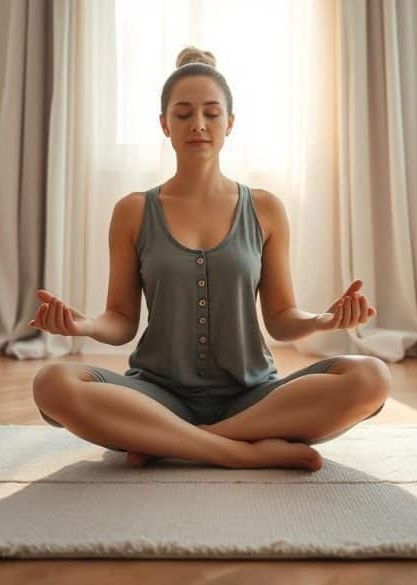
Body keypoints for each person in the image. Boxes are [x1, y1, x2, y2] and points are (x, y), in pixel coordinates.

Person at [30, 47, 390, 472]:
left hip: (253, 397)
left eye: (211, 113)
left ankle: (172, 443)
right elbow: (122, 320)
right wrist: (83, 325)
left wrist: (324, 321)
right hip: (156, 396)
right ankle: (242, 453)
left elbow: (280, 317)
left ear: (229, 123)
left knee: (372, 376)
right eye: (182, 114)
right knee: (52, 384)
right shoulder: (132, 211)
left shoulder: (265, 209)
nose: (197, 125)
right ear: (164, 125)